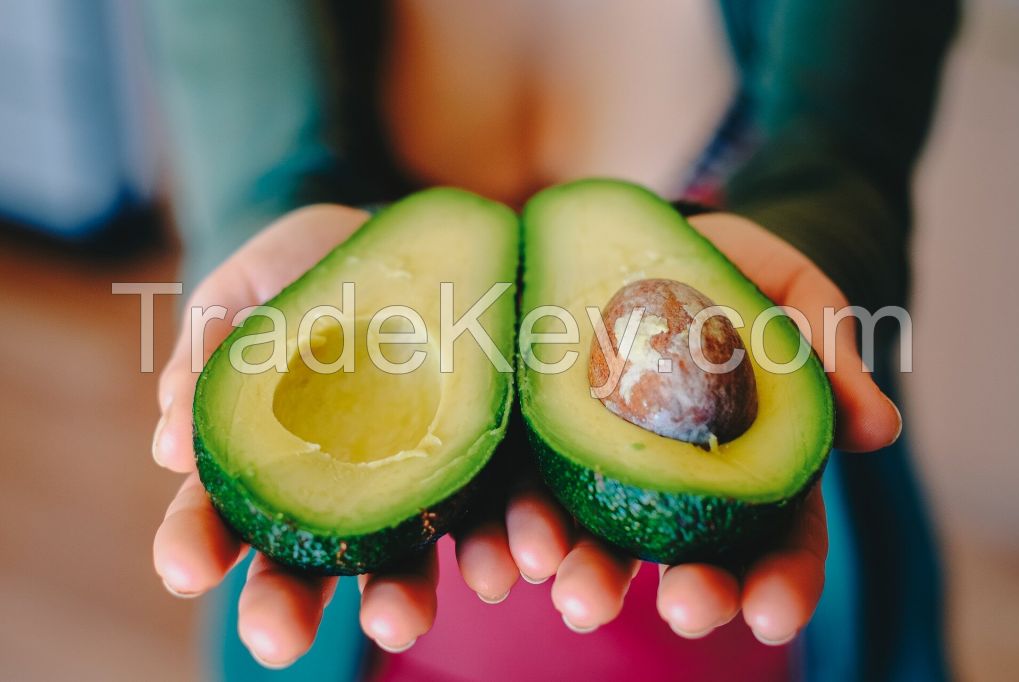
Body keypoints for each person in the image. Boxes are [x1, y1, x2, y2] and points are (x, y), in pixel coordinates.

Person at [145, 1, 957, 679]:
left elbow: (849, 161)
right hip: (369, 619)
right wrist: (260, 248)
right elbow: (249, 164)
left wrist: (817, 254)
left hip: (746, 612)